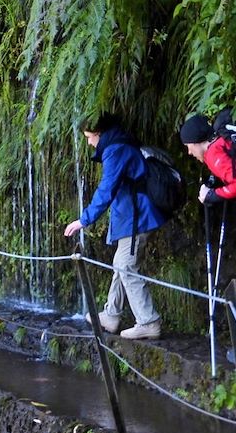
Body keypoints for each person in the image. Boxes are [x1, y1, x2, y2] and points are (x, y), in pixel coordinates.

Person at [64, 114, 166, 339]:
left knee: (126, 266)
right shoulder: (118, 145)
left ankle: (149, 321)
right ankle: (111, 315)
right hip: (131, 216)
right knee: (120, 263)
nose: (89, 143)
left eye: (90, 138)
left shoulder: (116, 150)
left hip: (137, 218)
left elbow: (106, 189)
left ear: (99, 134)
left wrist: (84, 220)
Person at [180, 113, 236, 371]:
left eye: (188, 147)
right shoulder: (227, 141)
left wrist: (213, 195)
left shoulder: (214, 152)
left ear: (197, 142)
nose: (188, 153)